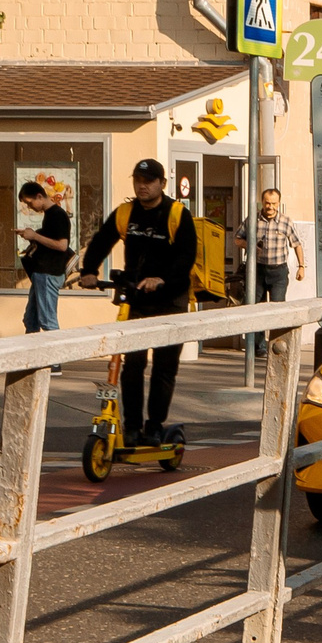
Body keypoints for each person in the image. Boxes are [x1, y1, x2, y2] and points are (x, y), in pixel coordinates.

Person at [76, 159, 196, 443]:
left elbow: (186, 257)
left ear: (162, 184)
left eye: (149, 181)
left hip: (170, 301)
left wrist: (162, 279)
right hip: (136, 300)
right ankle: (132, 427)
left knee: (164, 368)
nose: (142, 186)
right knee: (132, 366)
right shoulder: (125, 212)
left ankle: (154, 425)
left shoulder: (177, 214)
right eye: (138, 180)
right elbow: (101, 241)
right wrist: (89, 271)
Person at [15, 181, 73, 333]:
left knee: (48, 322)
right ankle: (32, 347)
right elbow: (51, 240)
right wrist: (32, 236)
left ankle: (57, 348)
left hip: (49, 273)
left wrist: (35, 236)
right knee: (30, 319)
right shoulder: (50, 215)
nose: (30, 207)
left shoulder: (57, 215)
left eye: (30, 202)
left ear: (39, 196)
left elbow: (62, 245)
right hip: (42, 273)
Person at [249, 188, 304, 302]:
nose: (270, 207)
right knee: (256, 307)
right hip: (258, 270)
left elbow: (297, 244)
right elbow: (237, 239)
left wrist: (301, 267)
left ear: (279, 203)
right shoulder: (253, 220)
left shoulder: (286, 221)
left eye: (274, 203)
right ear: (262, 202)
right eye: (267, 203)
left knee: (278, 306)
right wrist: (249, 245)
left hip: (279, 272)